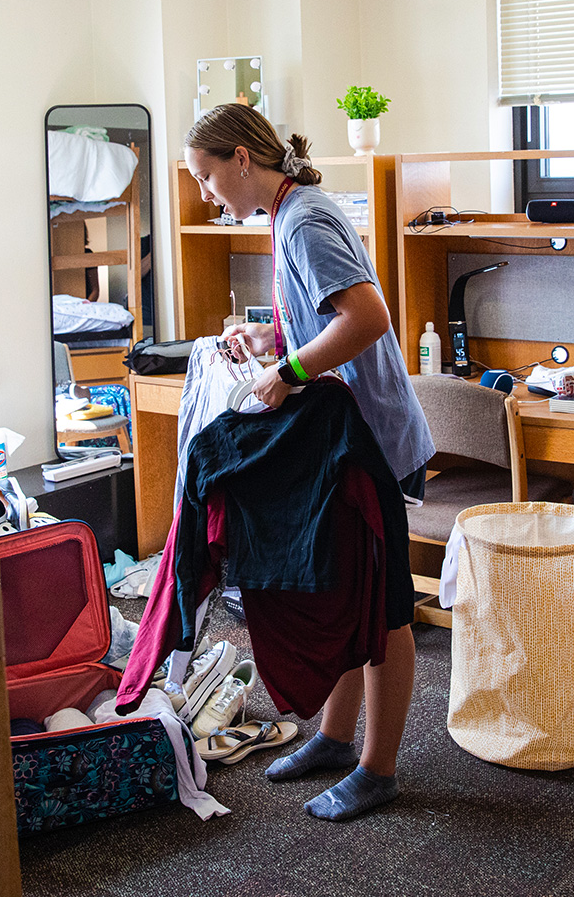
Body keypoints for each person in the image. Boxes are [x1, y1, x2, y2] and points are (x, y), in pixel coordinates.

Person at [183, 103, 434, 822]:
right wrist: (272, 337)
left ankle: (378, 769)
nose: (206, 194)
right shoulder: (288, 213)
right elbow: (327, 317)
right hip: (343, 438)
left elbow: (367, 318)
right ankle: (333, 737)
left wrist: (286, 372)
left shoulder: (305, 219)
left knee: (383, 611)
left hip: (370, 443)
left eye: (207, 177)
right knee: (345, 594)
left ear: (240, 159)